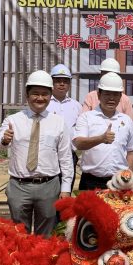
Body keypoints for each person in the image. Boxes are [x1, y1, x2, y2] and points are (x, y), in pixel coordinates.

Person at [0, 70, 73, 237]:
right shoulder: (13, 120)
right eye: (35, 94)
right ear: (27, 95)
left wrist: (66, 188)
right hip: (19, 186)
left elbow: (66, 158)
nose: (40, 98)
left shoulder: (58, 122)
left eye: (44, 94)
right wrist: (4, 140)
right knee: (18, 234)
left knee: (45, 236)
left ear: (50, 96)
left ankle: (43, 263)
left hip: (49, 186)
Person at [73, 73, 133, 190]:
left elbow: (131, 151)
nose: (111, 98)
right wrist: (101, 139)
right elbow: (78, 143)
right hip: (90, 181)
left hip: (119, 182)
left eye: (115, 94)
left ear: (120, 97)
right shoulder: (86, 117)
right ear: (99, 95)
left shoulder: (126, 120)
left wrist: (128, 175)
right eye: (107, 94)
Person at [48, 63, 82, 192]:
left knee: (65, 193)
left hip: (69, 155)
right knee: (48, 195)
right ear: (51, 82)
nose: (62, 84)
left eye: (65, 81)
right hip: (48, 156)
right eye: (58, 80)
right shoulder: (44, 104)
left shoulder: (76, 106)